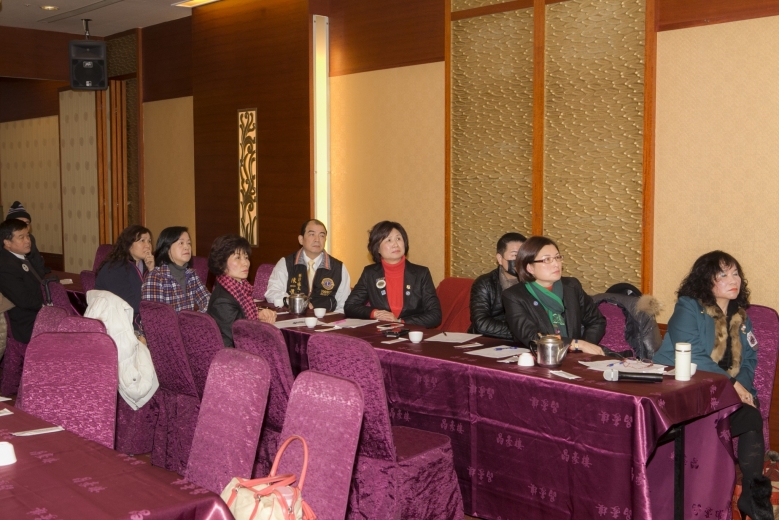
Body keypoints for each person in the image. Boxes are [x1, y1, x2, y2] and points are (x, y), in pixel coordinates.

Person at [652, 251, 772, 520]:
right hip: (686, 396)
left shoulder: (741, 317)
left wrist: (742, 388)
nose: (733, 280)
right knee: (744, 415)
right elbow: (693, 354)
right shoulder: (688, 307)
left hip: (726, 397)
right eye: (723, 275)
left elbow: (750, 360)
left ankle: (752, 497)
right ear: (706, 280)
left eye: (735, 273)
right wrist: (732, 385)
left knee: (751, 417)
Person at [502, 236, 606, 354]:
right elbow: (532, 336)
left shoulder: (571, 287)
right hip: (538, 358)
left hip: (575, 357)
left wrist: (584, 348)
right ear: (530, 268)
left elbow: (596, 320)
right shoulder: (514, 296)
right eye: (547, 259)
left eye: (557, 257)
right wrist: (576, 344)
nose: (556, 264)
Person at [344, 221, 441, 327]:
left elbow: (435, 315)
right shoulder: (370, 273)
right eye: (389, 240)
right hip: (381, 331)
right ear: (377, 248)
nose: (395, 244)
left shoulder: (421, 273)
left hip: (411, 332)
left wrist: (400, 322)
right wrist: (375, 313)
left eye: (398, 239)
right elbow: (350, 306)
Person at [264, 219, 350, 312]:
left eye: (322, 235)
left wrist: (332, 319)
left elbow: (344, 304)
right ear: (301, 240)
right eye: (312, 234)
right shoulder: (286, 263)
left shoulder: (338, 268)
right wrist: (294, 301)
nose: (317, 239)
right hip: (293, 317)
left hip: (326, 318)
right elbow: (272, 292)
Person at [207, 234, 277, 347]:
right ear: (221, 263)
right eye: (238, 258)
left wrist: (258, 315)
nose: (245, 263)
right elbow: (240, 337)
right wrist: (265, 328)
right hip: (233, 354)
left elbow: (241, 316)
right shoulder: (222, 301)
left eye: (246, 257)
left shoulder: (239, 288)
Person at [95, 225, 154, 334]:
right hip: (119, 328)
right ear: (129, 245)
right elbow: (132, 305)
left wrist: (152, 271)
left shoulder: (147, 267)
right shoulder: (115, 269)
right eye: (142, 241)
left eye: (149, 241)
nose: (148, 245)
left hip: (139, 323)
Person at [469, 232, 526, 340]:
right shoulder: (484, 283)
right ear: (500, 258)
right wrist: (523, 332)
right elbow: (481, 323)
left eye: (523, 255)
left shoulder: (533, 282)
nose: (520, 260)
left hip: (522, 341)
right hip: (486, 340)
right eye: (515, 255)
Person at [142, 226, 209, 312]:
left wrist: (198, 317)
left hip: (189, 321)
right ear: (167, 248)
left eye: (188, 243)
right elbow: (154, 316)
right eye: (181, 243)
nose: (187, 247)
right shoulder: (156, 277)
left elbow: (207, 300)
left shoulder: (192, 275)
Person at [0, 219, 44, 343]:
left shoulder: (20, 258)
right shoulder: (6, 266)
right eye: (21, 237)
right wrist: (46, 306)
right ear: (7, 243)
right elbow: (24, 300)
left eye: (27, 236)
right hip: (27, 323)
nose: (27, 240)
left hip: (35, 314)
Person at [7, 201, 49, 277]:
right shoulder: (4, 243)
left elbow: (38, 262)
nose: (25, 226)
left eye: (27, 223)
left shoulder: (30, 238)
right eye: (20, 223)